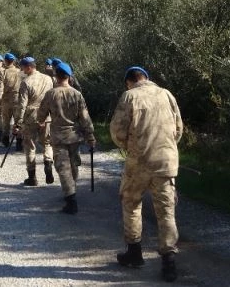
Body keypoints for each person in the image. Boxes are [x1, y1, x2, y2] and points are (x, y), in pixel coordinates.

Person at [110, 66, 183, 283]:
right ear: (147, 78)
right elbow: (178, 128)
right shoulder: (166, 94)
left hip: (138, 163)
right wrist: (166, 148)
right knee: (166, 210)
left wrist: (129, 146)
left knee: (131, 203)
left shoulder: (129, 96)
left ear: (129, 82)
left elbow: (117, 131)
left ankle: (134, 253)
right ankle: (169, 261)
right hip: (166, 163)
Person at [38, 62, 95, 214]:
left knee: (63, 168)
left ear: (56, 77)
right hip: (75, 136)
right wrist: (90, 136)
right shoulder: (77, 94)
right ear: (69, 77)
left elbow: (41, 114)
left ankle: (71, 200)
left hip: (58, 137)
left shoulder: (51, 94)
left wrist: (41, 121)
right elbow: (85, 118)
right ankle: (72, 189)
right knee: (74, 164)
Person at [13, 57, 55, 186]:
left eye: (23, 67)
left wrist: (18, 122)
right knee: (47, 143)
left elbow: (22, 105)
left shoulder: (26, 82)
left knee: (30, 146)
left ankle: (32, 178)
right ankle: (48, 162)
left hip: (30, 117)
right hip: (47, 116)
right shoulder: (48, 79)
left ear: (29, 67)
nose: (22, 69)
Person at [0, 53, 21, 148]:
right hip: (18, 100)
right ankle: (19, 142)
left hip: (6, 99)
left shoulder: (4, 72)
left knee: (6, 121)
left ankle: (6, 139)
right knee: (18, 121)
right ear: (13, 61)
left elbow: (0, 87)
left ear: (5, 61)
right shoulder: (20, 72)